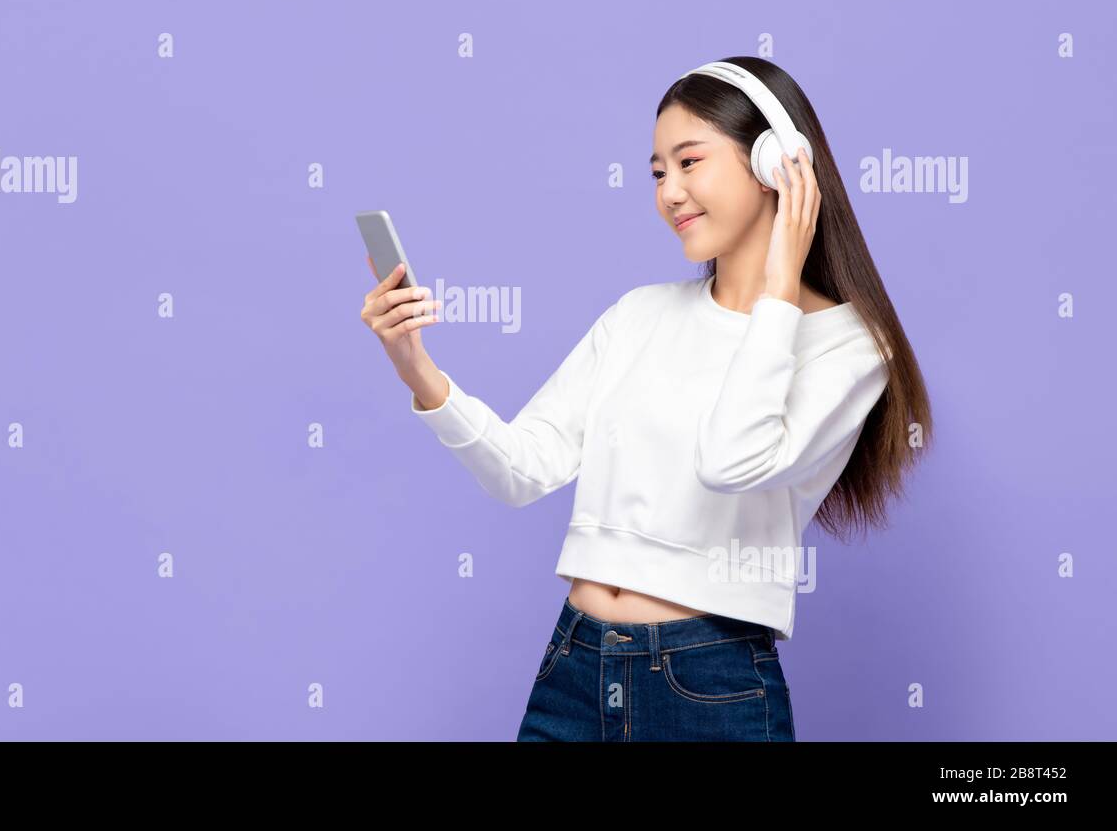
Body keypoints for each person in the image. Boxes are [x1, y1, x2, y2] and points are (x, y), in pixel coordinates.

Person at [360, 56, 932, 741]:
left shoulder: (850, 347)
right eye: (658, 172)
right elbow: (522, 469)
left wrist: (777, 289)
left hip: (709, 682)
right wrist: (414, 366)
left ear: (780, 164)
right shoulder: (638, 314)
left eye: (690, 162)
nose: (670, 192)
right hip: (574, 666)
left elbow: (730, 459)